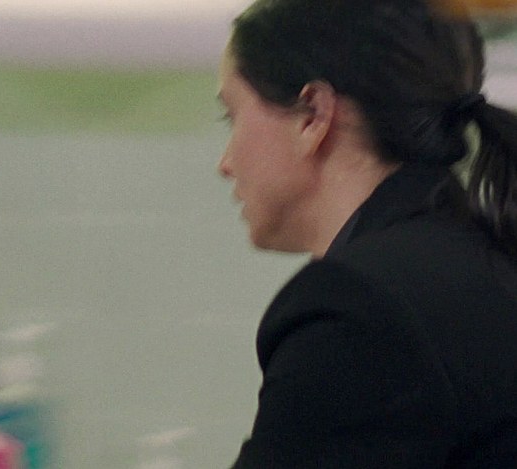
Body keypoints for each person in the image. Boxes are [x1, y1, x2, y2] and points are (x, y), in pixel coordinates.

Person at [216, 0, 517, 467]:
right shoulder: (483, 257)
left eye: (231, 116)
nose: (225, 163)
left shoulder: (361, 309)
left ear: (313, 115)